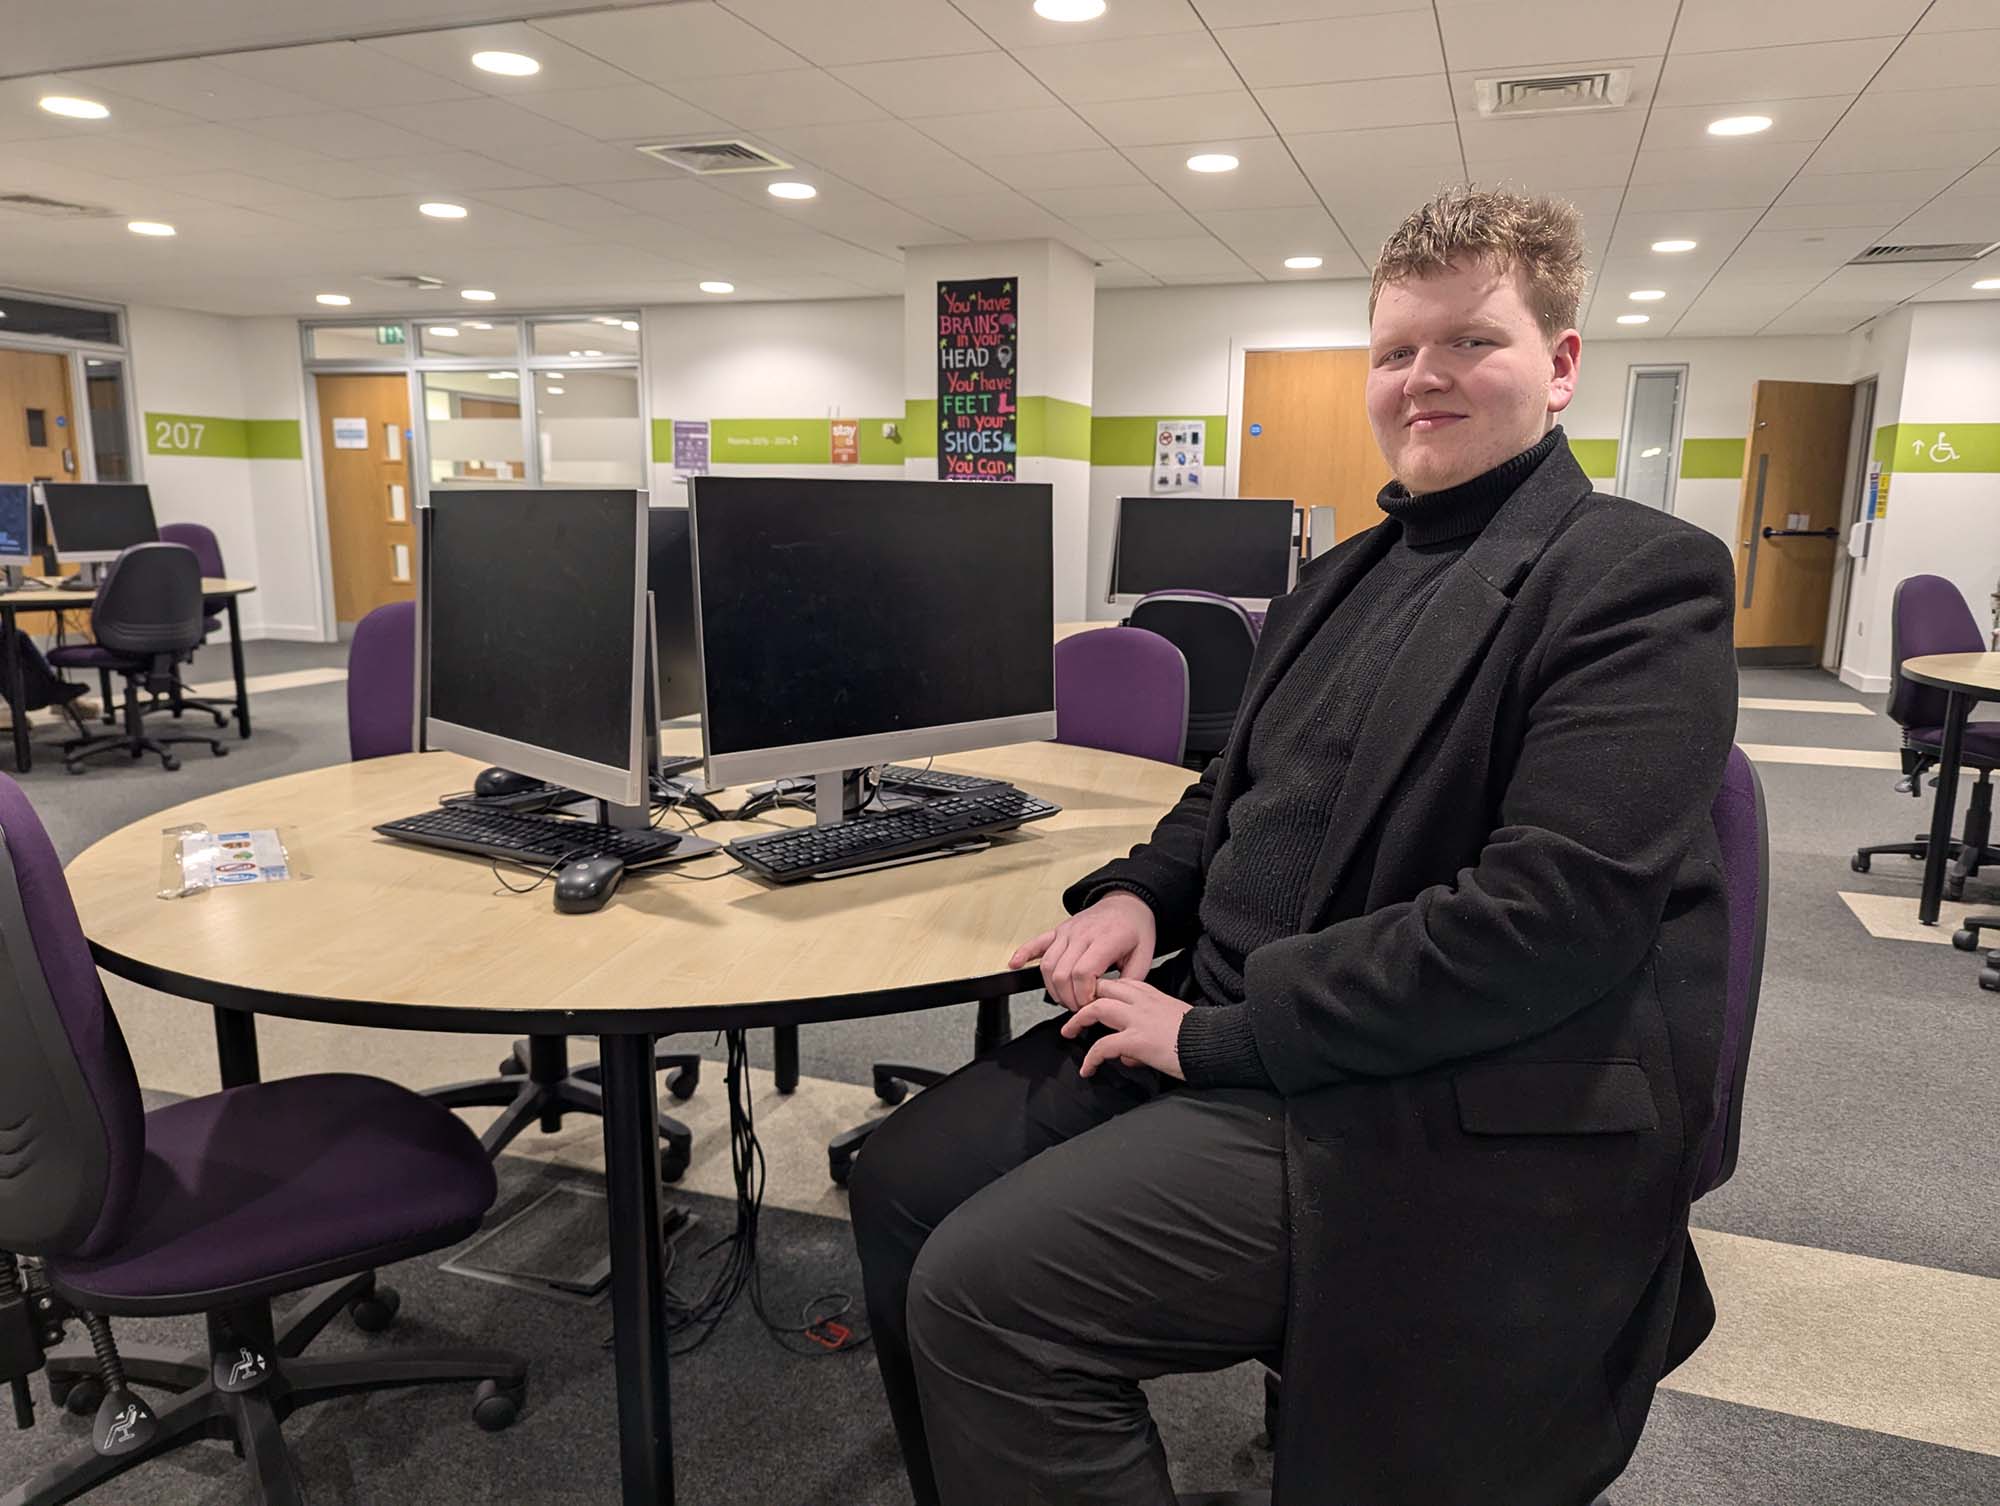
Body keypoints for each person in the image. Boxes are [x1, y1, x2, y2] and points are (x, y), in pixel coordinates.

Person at [849, 185, 1739, 1506]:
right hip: (1232, 1014)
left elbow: (1544, 920)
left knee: (991, 1291)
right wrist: (1145, 893)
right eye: (1393, 351)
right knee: (903, 1177)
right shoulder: (1336, 577)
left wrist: (1215, 1037)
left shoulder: (1633, 578)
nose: (1421, 379)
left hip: (1422, 1088)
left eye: (1469, 343)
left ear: (1558, 367)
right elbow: (1233, 791)